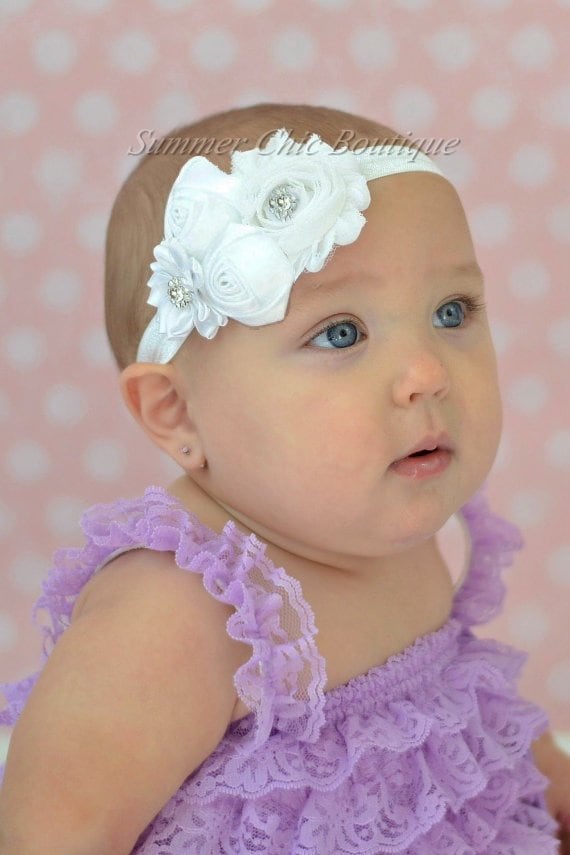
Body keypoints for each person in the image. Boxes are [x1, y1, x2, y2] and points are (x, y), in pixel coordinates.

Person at [0, 103, 568, 854]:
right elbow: (50, 833)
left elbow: (473, 718)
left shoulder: (396, 533)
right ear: (177, 413)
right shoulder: (176, 617)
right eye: (341, 332)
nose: (427, 374)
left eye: (452, 310)